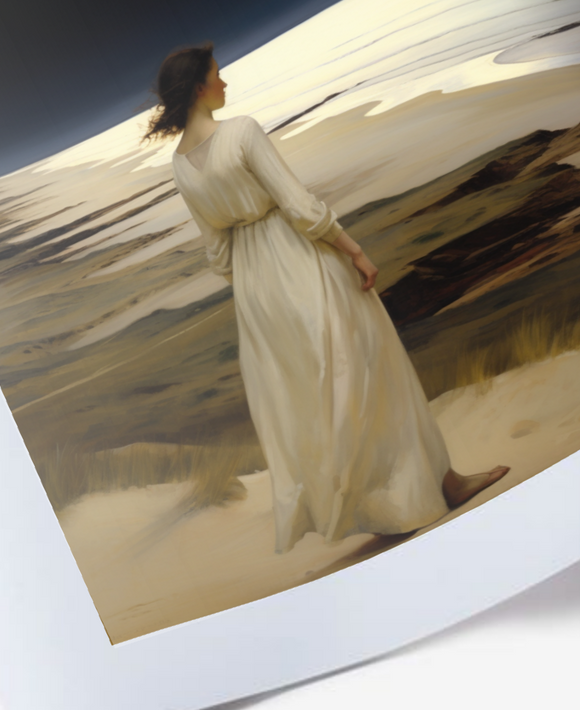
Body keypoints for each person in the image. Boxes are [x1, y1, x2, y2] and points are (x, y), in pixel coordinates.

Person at [148, 41, 509, 553]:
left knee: (318, 399)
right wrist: (354, 250)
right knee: (371, 368)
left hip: (257, 292)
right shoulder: (242, 132)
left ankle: (399, 501)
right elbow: (297, 205)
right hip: (301, 261)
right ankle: (437, 486)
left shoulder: (181, 165)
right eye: (218, 74)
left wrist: (256, 287)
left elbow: (217, 250)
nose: (225, 83)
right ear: (200, 87)